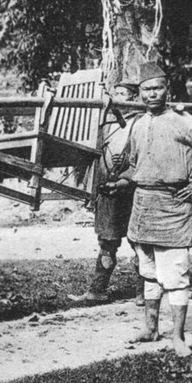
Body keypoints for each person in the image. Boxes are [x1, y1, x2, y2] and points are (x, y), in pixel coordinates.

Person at [103, 62, 192, 357]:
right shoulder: (137, 124)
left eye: (157, 88)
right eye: (146, 89)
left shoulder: (183, 121)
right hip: (143, 206)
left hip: (173, 205)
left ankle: (178, 337)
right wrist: (120, 183)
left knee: (175, 275)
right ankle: (150, 329)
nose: (151, 94)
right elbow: (136, 166)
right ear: (140, 93)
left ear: (167, 89)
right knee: (148, 273)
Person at [69, 81, 145, 305]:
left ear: (133, 98)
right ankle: (97, 290)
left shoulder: (141, 121)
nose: (118, 98)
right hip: (107, 190)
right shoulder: (106, 120)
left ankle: (144, 292)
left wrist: (126, 171)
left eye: (123, 94)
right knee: (107, 243)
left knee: (139, 242)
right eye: (116, 93)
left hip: (132, 190)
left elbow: (144, 156)